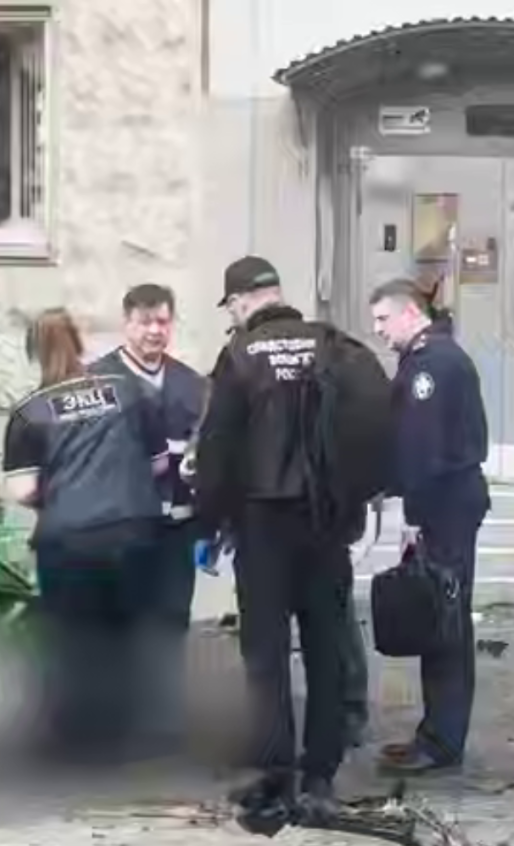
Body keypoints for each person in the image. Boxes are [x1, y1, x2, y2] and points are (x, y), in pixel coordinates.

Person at [194, 256, 391, 823]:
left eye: (231, 307)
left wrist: (209, 522)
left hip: (261, 525)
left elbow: (217, 448)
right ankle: (321, 773)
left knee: (266, 655)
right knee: (327, 648)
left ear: (239, 302)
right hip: (325, 525)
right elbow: (379, 423)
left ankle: (274, 778)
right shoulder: (335, 346)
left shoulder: (238, 355)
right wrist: (354, 498)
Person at [1, 308, 168, 765]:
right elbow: (158, 464)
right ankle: (133, 736)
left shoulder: (30, 410)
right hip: (133, 531)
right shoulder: (127, 390)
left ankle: (80, 740)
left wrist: (62, 496)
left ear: (35, 353)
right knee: (128, 633)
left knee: (73, 638)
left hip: (69, 541)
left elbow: (23, 489)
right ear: (79, 343)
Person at [369, 278, 491, 773]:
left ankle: (441, 742)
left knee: (445, 621)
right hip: (449, 502)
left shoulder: (432, 365)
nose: (378, 330)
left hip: (445, 506)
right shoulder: (432, 357)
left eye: (383, 319)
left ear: (410, 313)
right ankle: (436, 733)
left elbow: (423, 448)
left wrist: (413, 516)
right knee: (438, 617)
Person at [89, 283, 207, 754]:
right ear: (127, 324)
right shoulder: (97, 383)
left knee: (172, 618)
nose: (155, 331)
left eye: (163, 321)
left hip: (177, 526)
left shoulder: (192, 384)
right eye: (145, 322)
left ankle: (163, 720)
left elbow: (206, 449)